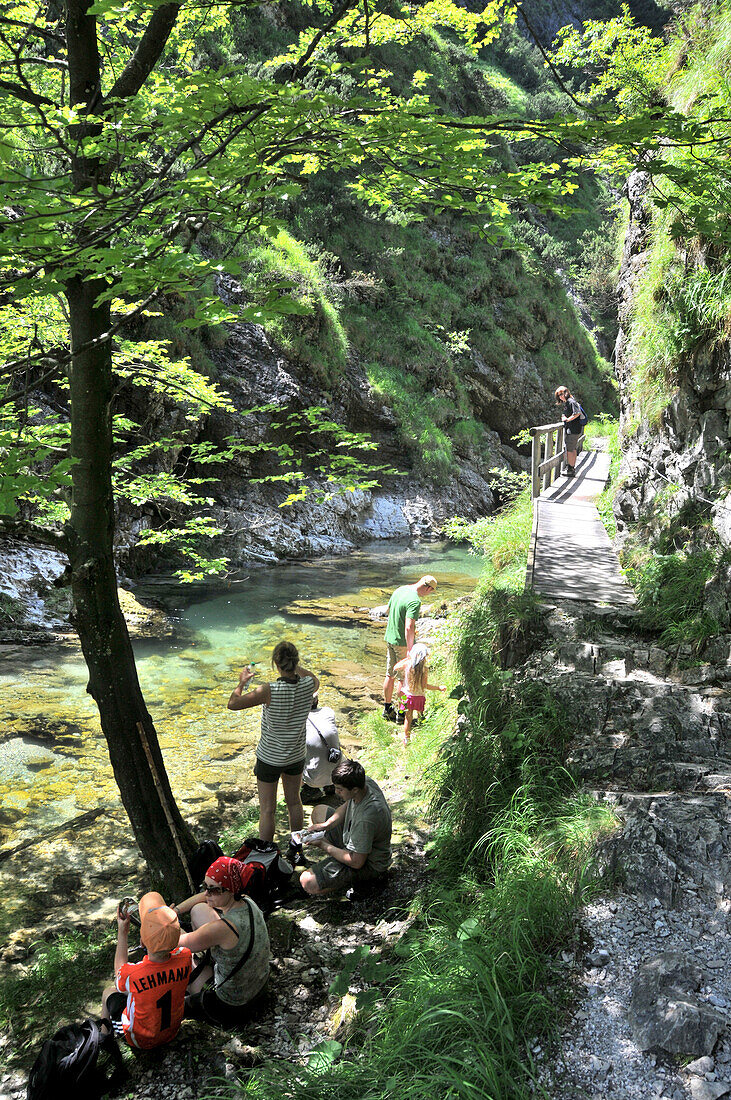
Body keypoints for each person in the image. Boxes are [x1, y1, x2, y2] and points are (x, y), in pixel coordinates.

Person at [228, 640, 319, 852]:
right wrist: (295, 666)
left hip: (269, 758)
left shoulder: (269, 690)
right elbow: (314, 678)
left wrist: (241, 683)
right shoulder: (308, 685)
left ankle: (267, 855)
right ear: (295, 662)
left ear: (276, 664)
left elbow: (233, 704)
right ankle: (296, 849)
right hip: (296, 755)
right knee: (294, 803)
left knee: (267, 810)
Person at [176, 856, 271, 1028]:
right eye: (205, 886)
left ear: (230, 890)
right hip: (259, 987)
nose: (206, 893)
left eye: (213, 890)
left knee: (182, 958)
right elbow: (203, 898)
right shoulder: (248, 902)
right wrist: (176, 909)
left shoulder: (223, 928)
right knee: (199, 909)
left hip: (233, 1006)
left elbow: (175, 943)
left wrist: (165, 921)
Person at [101, 891, 192, 1050]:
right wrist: (170, 926)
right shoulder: (185, 957)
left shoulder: (134, 975)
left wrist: (122, 933)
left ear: (142, 941)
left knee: (108, 992)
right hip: (172, 1032)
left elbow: (119, 973)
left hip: (140, 1040)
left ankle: (104, 1036)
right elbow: (177, 945)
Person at [298, 758, 392, 897]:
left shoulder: (366, 819)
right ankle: (339, 862)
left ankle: (360, 881)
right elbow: (347, 804)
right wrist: (326, 825)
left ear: (354, 789)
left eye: (340, 789)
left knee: (307, 881)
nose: (336, 792)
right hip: (355, 843)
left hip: (369, 863)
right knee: (319, 811)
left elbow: (356, 862)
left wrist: (323, 845)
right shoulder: (363, 782)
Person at [382, 575, 437, 722]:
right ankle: (401, 712)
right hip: (402, 643)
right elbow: (409, 626)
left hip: (389, 638)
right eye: (431, 591)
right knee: (404, 679)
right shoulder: (415, 601)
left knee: (390, 674)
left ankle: (387, 709)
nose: (429, 594)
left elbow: (389, 611)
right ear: (428, 587)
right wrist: (410, 649)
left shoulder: (400, 590)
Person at [392, 642, 446, 746]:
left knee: (408, 718)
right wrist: (438, 688)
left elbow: (395, 667)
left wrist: (407, 658)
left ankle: (406, 739)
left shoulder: (408, 665)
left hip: (406, 696)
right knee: (421, 713)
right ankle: (423, 730)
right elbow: (425, 686)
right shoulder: (424, 669)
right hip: (419, 697)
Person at [301, 694, 341, 804]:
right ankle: (330, 786)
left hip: (313, 780)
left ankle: (311, 789)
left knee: (284, 758)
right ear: (317, 700)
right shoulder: (328, 712)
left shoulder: (299, 719)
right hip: (338, 774)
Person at [555, 385, 583, 477]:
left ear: (566, 393)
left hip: (573, 430)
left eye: (562, 394)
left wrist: (567, 420)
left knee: (570, 450)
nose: (560, 397)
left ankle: (570, 470)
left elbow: (577, 413)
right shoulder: (569, 402)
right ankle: (571, 467)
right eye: (559, 395)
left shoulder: (571, 401)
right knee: (572, 449)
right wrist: (564, 416)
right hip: (573, 429)